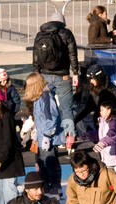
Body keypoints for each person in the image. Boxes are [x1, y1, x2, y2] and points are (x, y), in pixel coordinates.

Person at [32, 12, 80, 143]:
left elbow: (35, 57)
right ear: (62, 22)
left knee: (46, 107)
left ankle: (47, 136)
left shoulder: (40, 35)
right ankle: (69, 139)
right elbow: (73, 55)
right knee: (66, 109)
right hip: (62, 76)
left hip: (44, 76)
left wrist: (37, 74)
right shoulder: (66, 33)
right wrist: (75, 73)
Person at [24, 74, 62, 194]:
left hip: (48, 138)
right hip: (41, 137)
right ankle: (47, 187)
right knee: (42, 165)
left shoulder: (46, 97)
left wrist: (46, 135)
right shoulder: (38, 98)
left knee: (50, 164)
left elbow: (51, 117)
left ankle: (54, 188)